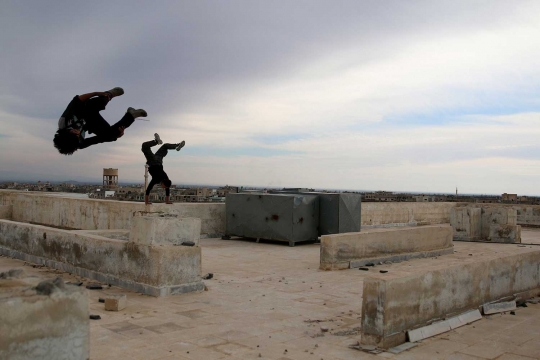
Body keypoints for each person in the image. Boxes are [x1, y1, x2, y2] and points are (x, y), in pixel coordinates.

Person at [53, 87, 147, 155]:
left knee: (93, 104)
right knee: (110, 136)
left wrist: (96, 93)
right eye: (77, 136)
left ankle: (109, 94)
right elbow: (99, 139)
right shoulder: (79, 143)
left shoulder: (64, 121)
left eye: (74, 133)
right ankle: (131, 115)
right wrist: (117, 135)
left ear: (65, 133)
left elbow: (76, 100)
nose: (78, 133)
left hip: (85, 109)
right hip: (90, 124)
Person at [142, 133, 185, 205]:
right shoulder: (156, 179)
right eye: (164, 187)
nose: (163, 188)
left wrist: (167, 201)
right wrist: (146, 202)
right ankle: (176, 146)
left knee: (165, 146)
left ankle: (174, 145)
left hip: (158, 160)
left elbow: (167, 190)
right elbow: (148, 189)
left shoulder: (166, 178)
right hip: (152, 162)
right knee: (144, 146)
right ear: (163, 184)